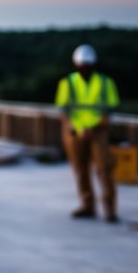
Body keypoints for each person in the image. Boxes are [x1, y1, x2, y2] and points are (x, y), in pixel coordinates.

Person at [56, 44, 120, 223]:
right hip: (75, 133)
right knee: (80, 169)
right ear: (76, 64)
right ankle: (87, 205)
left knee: (104, 169)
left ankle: (109, 209)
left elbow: (109, 111)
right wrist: (76, 128)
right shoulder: (67, 83)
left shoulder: (105, 83)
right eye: (81, 65)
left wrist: (93, 128)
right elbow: (63, 111)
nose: (84, 68)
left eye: (87, 65)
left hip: (98, 132)